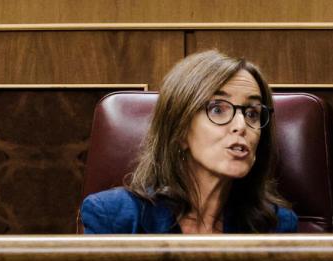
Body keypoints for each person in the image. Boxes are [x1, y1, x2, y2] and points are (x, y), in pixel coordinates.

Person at [80, 49, 297, 234]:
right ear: (180, 130)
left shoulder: (275, 226)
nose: (241, 125)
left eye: (252, 113)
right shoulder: (113, 217)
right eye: (217, 109)